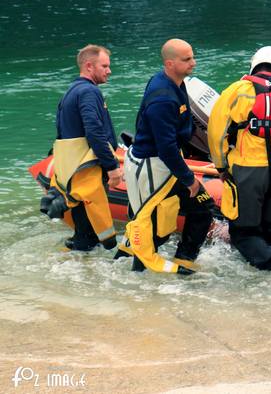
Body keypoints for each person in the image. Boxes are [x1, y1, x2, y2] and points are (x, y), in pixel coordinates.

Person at [117, 38, 214, 274]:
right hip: (151, 167)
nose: (194, 62)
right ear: (170, 63)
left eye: (193, 56)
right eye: (187, 59)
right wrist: (189, 178)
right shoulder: (162, 97)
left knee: (203, 207)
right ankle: (136, 278)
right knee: (150, 226)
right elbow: (165, 147)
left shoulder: (177, 83)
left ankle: (184, 260)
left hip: (166, 164)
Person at [207, 46, 271, 280]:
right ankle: (266, 270)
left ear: (254, 65)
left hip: (249, 169)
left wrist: (220, 166)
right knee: (264, 228)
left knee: (243, 233)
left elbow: (216, 132)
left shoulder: (238, 90)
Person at [48, 44, 122, 251]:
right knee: (88, 234)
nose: (109, 70)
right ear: (89, 66)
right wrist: (112, 166)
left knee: (84, 230)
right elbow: (95, 131)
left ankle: (75, 266)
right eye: (105, 66)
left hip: (73, 170)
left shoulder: (72, 91)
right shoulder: (89, 92)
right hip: (87, 170)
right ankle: (78, 271)